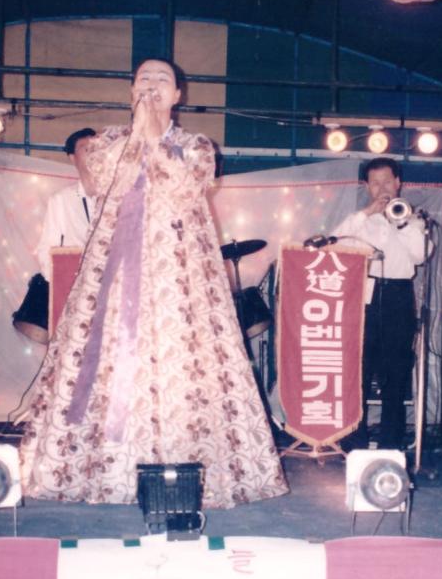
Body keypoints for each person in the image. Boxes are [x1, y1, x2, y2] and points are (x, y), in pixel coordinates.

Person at [18, 58, 289, 508]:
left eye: (163, 79)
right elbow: (103, 179)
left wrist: (149, 137)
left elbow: (183, 185)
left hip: (182, 284)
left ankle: (191, 470)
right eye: (144, 79)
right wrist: (136, 135)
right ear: (130, 91)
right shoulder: (107, 144)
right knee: (105, 366)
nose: (152, 85)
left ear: (178, 95)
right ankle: (103, 472)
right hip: (115, 279)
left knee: (185, 369)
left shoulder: (198, 146)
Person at [331, 157, 430, 450]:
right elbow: (336, 243)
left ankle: (391, 443)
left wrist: (401, 223)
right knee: (359, 369)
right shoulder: (359, 219)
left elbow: (420, 255)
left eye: (387, 181)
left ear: (399, 182)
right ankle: (355, 441)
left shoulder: (415, 220)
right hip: (365, 294)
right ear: (366, 186)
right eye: (375, 183)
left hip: (399, 295)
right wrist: (366, 213)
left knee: (395, 373)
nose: (382, 188)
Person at [35, 127, 99, 282]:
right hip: (75, 284)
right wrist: (61, 283)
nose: (94, 154)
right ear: (72, 157)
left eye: (97, 148)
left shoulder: (118, 196)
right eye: (86, 149)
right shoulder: (61, 200)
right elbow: (46, 250)